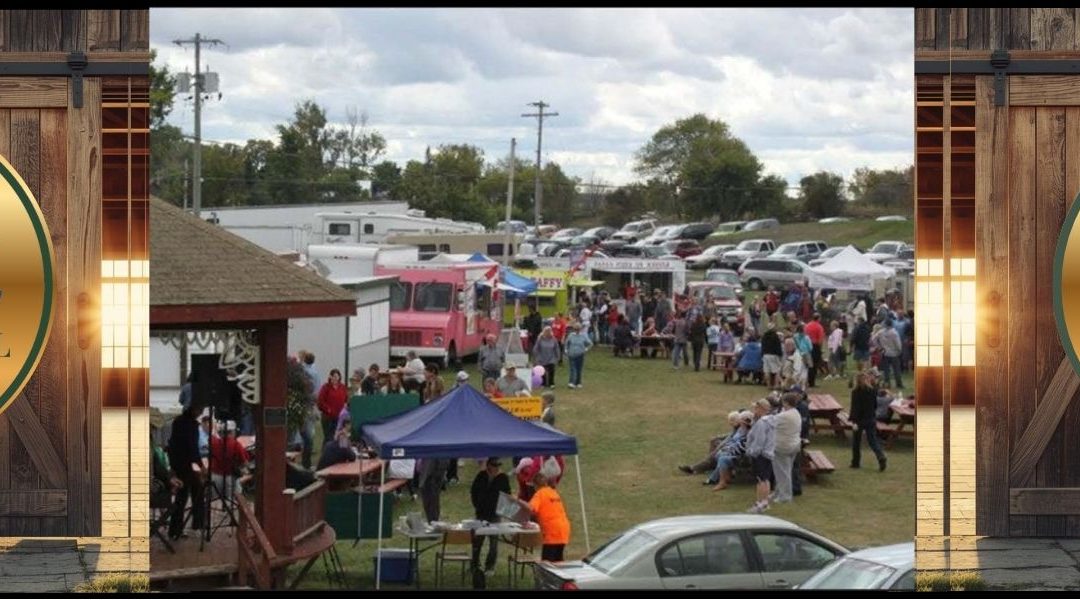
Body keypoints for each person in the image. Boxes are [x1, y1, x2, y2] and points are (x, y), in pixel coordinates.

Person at [168, 400, 205, 539]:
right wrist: (201, 466)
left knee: (187, 494)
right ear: (194, 409)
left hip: (177, 463)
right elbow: (192, 448)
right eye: (200, 409)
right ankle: (194, 523)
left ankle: (179, 528)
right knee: (187, 495)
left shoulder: (178, 421)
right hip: (184, 466)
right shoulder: (191, 425)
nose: (201, 413)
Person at [470, 458, 512, 576]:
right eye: (494, 465)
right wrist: (477, 505)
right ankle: (475, 565)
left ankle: (490, 566)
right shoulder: (481, 475)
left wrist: (501, 510)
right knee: (477, 541)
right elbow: (473, 491)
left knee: (494, 543)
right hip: (481, 514)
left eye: (498, 465)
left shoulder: (503, 478)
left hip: (495, 515)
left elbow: (507, 495)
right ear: (489, 465)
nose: (497, 467)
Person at [527, 472, 571, 561]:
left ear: (535, 485)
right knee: (558, 560)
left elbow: (531, 509)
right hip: (563, 530)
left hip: (552, 532)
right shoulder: (553, 492)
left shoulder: (539, 494)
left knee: (547, 563)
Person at [850, 371, 888, 471]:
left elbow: (855, 408)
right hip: (870, 418)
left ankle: (855, 462)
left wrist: (853, 420)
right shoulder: (872, 391)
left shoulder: (855, 392)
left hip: (859, 420)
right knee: (872, 440)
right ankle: (880, 456)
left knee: (856, 442)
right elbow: (875, 405)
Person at [746, 398, 776, 514]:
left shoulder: (762, 423)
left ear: (761, 409)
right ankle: (765, 502)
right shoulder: (771, 420)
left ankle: (760, 503)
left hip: (761, 454)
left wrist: (751, 452)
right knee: (766, 479)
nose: (754, 410)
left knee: (760, 480)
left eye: (755, 408)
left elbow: (759, 441)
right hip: (769, 453)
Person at [770, 393, 802, 504]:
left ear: (786, 402)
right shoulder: (796, 412)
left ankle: (785, 496)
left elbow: (770, 421)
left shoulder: (784, 416)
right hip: (794, 445)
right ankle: (779, 492)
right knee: (786, 470)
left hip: (783, 446)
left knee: (782, 472)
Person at [708, 411, 753, 490]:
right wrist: (725, 448)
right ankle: (725, 476)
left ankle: (719, 481)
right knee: (719, 454)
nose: (740, 423)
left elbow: (741, 449)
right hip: (735, 452)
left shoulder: (749, 434)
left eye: (741, 421)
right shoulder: (741, 430)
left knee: (723, 458)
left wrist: (727, 451)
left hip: (743, 457)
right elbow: (733, 441)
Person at [209, 420, 252, 499]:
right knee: (232, 499)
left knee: (215, 501)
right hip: (229, 477)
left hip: (214, 476)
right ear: (232, 432)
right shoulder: (236, 444)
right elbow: (245, 463)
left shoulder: (213, 442)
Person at [298, 351, 320, 470]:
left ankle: (305, 460)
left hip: (305, 402)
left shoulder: (304, 371)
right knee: (309, 429)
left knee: (305, 433)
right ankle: (306, 459)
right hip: (312, 403)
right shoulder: (315, 371)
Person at [317, 368, 349, 444]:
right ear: (330, 377)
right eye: (333, 376)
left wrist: (345, 407)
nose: (335, 378)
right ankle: (326, 454)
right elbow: (320, 402)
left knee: (342, 437)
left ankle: (343, 454)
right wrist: (328, 410)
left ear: (339, 377)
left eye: (337, 376)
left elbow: (346, 399)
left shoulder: (342, 387)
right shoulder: (325, 387)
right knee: (329, 438)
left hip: (340, 417)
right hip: (328, 417)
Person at [417, 456, 451, 522]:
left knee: (431, 498)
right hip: (434, 470)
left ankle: (433, 521)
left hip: (432, 473)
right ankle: (433, 521)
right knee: (433, 498)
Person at [564, 322, 593, 389]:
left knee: (579, 369)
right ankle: (571, 382)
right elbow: (566, 343)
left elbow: (590, 343)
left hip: (580, 355)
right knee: (573, 369)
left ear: (580, 329)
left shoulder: (583, 336)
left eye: (578, 329)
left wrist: (586, 349)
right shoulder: (571, 335)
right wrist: (566, 349)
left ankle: (578, 382)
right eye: (576, 329)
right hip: (571, 354)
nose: (577, 331)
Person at [877, 319, 904, 389]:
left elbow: (873, 339)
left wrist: (879, 347)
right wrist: (899, 350)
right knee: (896, 370)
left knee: (886, 370)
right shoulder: (894, 333)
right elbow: (898, 344)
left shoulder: (881, 332)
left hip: (885, 352)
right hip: (894, 353)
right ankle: (899, 384)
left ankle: (887, 384)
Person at [804, 313, 826, 388]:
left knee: (807, 364)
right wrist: (820, 348)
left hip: (806, 346)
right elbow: (820, 340)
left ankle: (805, 380)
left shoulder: (807, 326)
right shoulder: (819, 327)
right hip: (815, 346)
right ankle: (812, 382)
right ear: (819, 318)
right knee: (814, 365)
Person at [761, 324, 783, 388]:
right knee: (777, 370)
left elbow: (762, 346)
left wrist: (762, 354)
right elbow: (778, 347)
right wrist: (780, 354)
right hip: (774, 355)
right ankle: (776, 384)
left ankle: (768, 385)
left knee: (767, 370)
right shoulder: (775, 336)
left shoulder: (764, 336)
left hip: (765, 354)